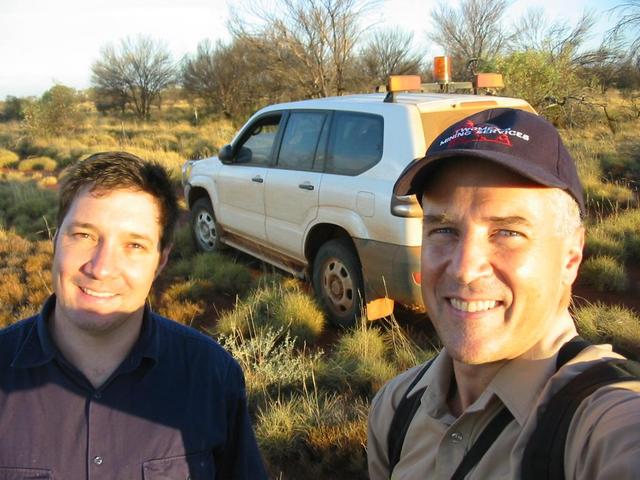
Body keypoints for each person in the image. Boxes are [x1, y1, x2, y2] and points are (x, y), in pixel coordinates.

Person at [367, 108, 640, 479]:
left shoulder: (601, 422)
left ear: (571, 257)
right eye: (444, 229)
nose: (464, 268)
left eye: (507, 233)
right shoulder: (396, 407)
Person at [0, 152, 267, 479]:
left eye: (134, 245)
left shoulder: (211, 375)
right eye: (84, 235)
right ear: (55, 239)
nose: (101, 268)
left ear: (161, 260)